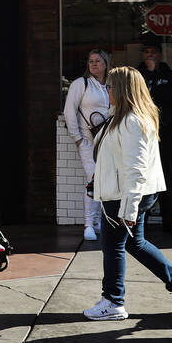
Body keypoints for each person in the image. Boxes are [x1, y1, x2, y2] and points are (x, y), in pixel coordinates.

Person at [84, 66, 172, 321]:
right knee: (134, 243)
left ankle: (113, 301)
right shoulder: (123, 117)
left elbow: (135, 169)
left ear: (123, 90)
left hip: (125, 195)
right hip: (124, 193)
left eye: (111, 86)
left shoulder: (132, 122)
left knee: (112, 244)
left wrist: (129, 208)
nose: (107, 90)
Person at [138, 34, 172, 235]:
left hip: (167, 134)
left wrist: (155, 88)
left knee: (166, 177)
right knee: (142, 177)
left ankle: (170, 221)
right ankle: (141, 222)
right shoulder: (136, 75)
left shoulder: (170, 75)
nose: (150, 56)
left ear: (160, 54)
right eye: (147, 52)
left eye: (153, 52)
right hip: (141, 135)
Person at [64, 49, 112, 241]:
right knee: (94, 180)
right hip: (88, 141)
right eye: (91, 61)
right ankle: (88, 224)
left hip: (108, 141)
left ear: (106, 64)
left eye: (97, 61)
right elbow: (69, 112)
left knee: (106, 182)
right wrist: (77, 138)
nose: (93, 64)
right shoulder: (80, 84)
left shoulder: (111, 84)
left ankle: (98, 221)